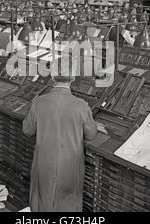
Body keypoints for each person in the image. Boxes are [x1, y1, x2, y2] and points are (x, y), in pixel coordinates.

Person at [22, 58, 100, 212]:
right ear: (73, 78)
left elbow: (27, 130)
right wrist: (96, 124)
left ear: (51, 77)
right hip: (70, 166)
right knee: (68, 203)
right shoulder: (81, 105)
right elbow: (90, 135)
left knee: (42, 199)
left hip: (44, 163)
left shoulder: (39, 102)